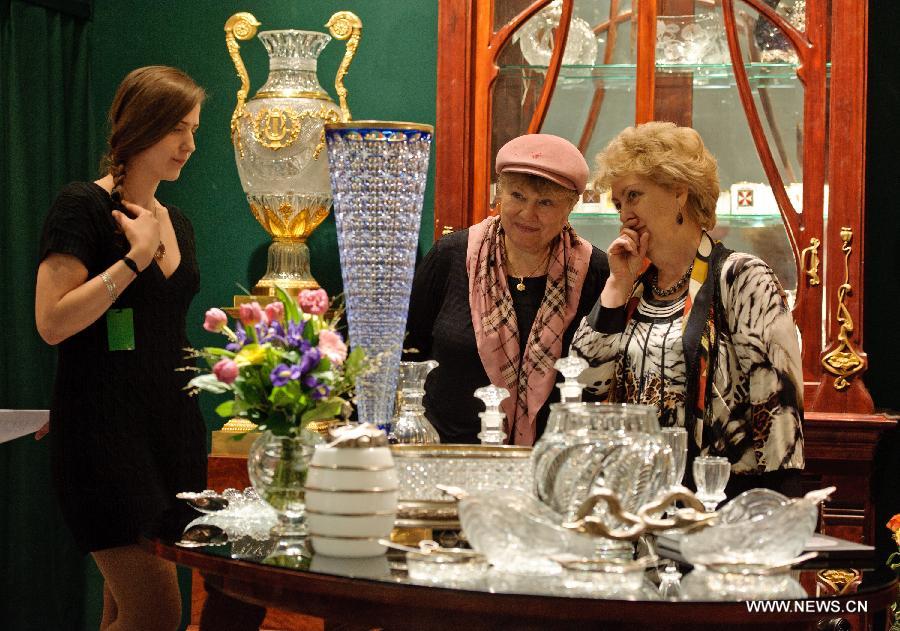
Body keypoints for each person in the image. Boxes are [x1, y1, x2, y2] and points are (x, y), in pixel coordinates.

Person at [34, 66, 206, 631]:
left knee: (124, 612)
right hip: (102, 437)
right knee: (157, 612)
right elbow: (52, 323)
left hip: (171, 435)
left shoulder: (175, 219)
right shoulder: (81, 206)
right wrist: (134, 260)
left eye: (194, 129)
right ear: (140, 129)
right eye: (177, 129)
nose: (189, 144)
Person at [569, 121, 804, 497]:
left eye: (634, 195)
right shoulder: (634, 288)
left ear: (679, 193)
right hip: (636, 500)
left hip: (721, 504)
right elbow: (581, 384)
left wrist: (773, 519)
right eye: (618, 203)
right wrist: (616, 285)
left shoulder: (741, 277)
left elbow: (777, 413)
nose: (624, 213)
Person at [405, 134, 609, 445]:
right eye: (517, 196)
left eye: (545, 202)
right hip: (450, 458)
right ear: (500, 194)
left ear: (570, 206)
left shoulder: (595, 271)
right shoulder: (451, 256)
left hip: (554, 463)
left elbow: (603, 377)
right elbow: (407, 351)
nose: (528, 214)